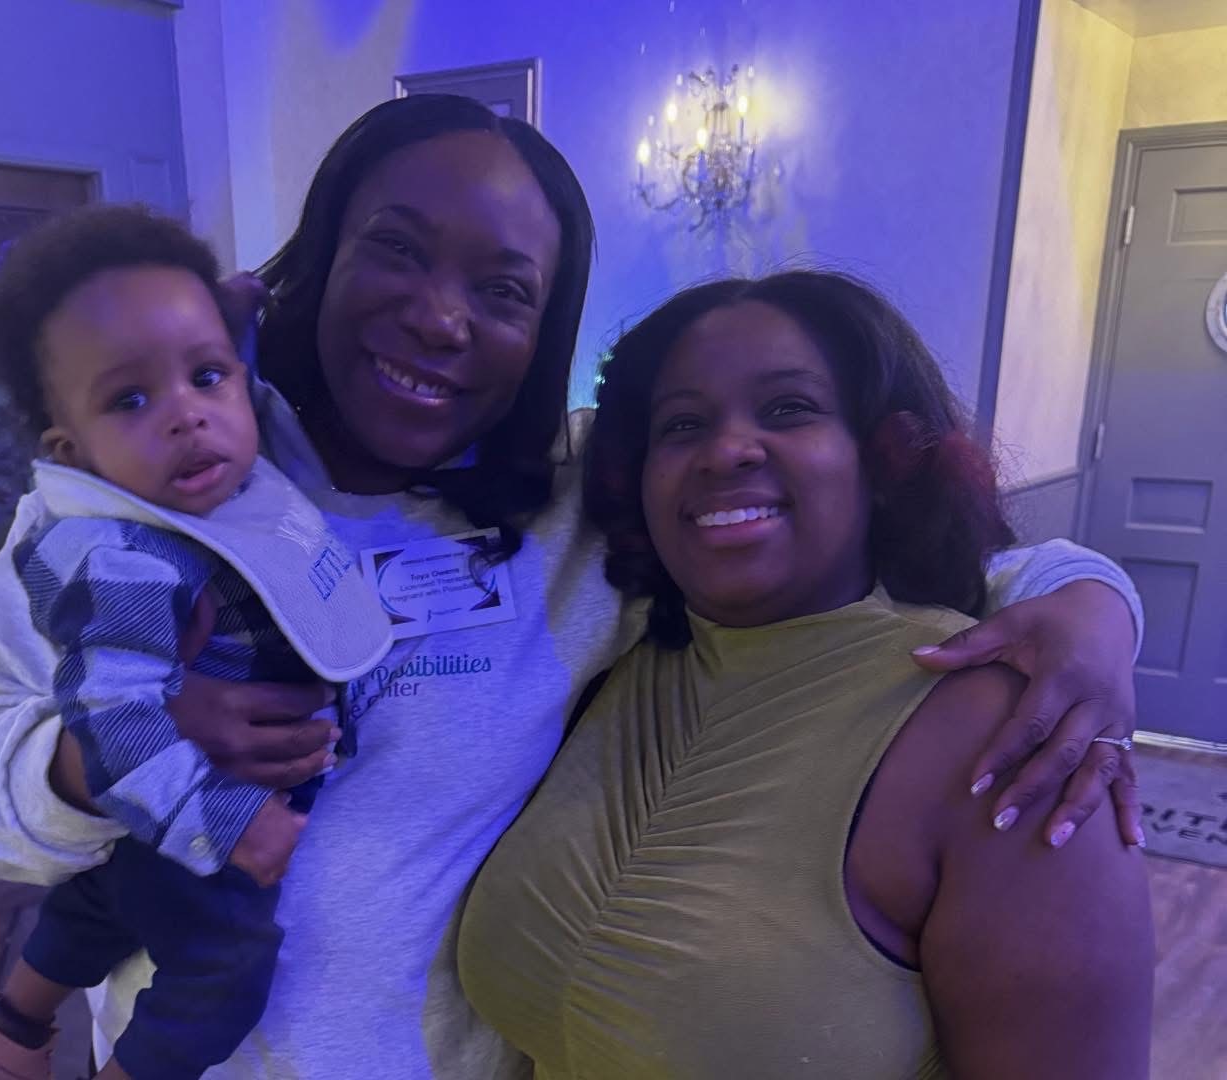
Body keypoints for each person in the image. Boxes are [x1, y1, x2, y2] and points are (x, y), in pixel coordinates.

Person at [0, 96, 1146, 1078]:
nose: (439, 317)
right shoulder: (144, 491)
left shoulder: (577, 508)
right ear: (321, 257)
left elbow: (894, 547)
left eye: (503, 290)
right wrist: (102, 752)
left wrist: (1094, 611)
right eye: (396, 250)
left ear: (544, 330)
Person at [458, 272, 1155, 1079]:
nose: (726, 450)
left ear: (885, 458)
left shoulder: (1010, 736)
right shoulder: (611, 663)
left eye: (789, 408)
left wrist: (1099, 605)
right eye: (682, 424)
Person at [0, 206, 390, 1080]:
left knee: (112, 894)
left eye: (206, 376)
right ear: (72, 453)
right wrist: (232, 825)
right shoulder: (120, 559)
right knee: (223, 968)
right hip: (197, 806)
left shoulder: (215, 478)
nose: (187, 417)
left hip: (153, 833)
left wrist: (233, 322)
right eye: (130, 400)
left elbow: (223, 385)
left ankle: (1, 1034)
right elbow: (118, 726)